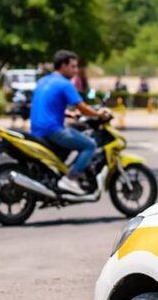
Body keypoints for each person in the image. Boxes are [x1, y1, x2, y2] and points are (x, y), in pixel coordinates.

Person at [30, 50, 109, 196]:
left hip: (36, 130)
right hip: (52, 130)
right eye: (73, 66)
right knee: (90, 145)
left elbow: (48, 106)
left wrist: (69, 114)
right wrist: (98, 114)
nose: (76, 70)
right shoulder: (64, 84)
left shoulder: (43, 80)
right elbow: (82, 106)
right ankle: (70, 178)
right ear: (63, 66)